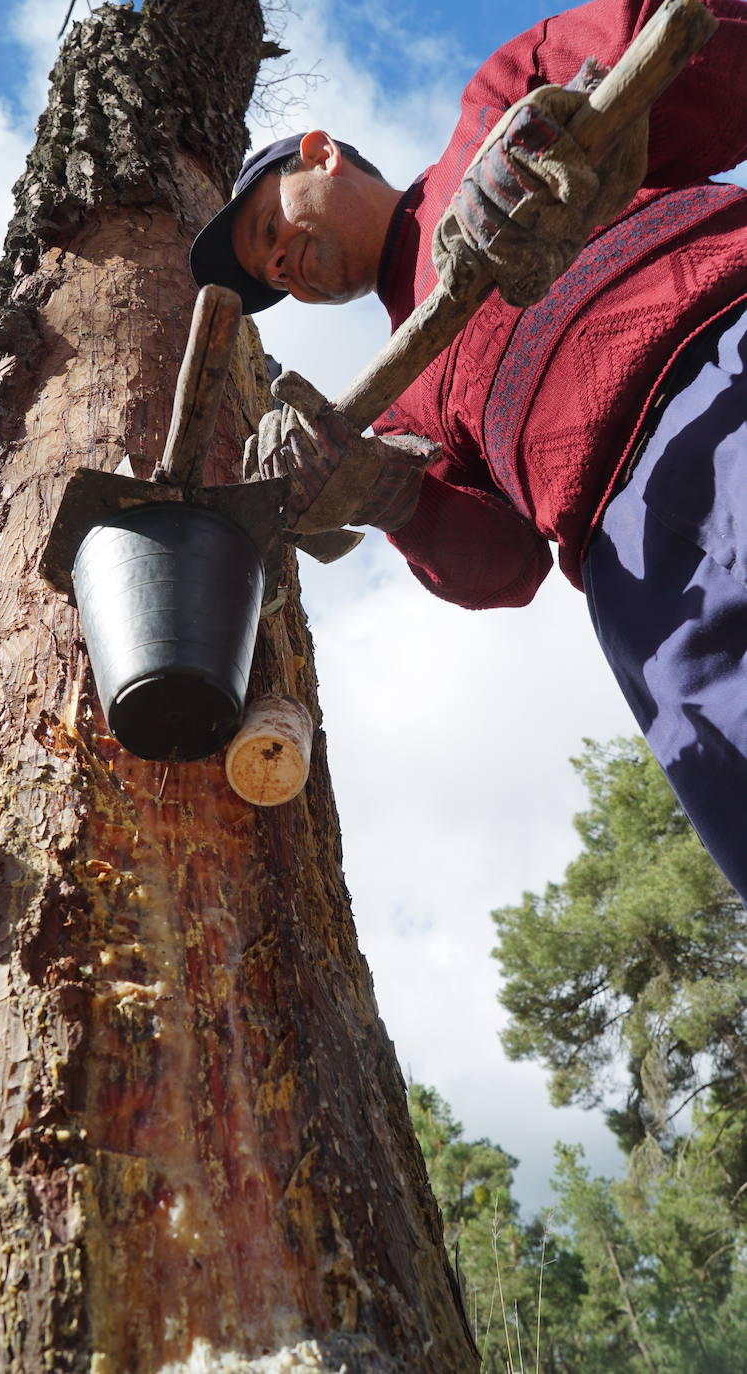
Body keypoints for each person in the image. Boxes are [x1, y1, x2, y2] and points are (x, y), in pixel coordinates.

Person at [191, 0, 747, 902]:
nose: (282, 267)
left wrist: (578, 115)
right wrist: (388, 498)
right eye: (271, 278)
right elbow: (506, 566)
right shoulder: (402, 401)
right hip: (637, 575)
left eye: (269, 233)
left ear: (319, 153)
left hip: (722, 354)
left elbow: (693, 30)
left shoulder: (492, 108)